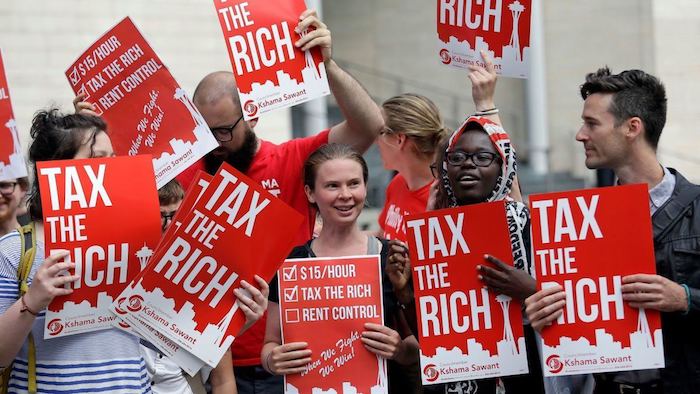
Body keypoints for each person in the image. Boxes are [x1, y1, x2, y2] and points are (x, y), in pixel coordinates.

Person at [0, 109, 267, 393]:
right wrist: (32, 302)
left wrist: (237, 320)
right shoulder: (16, 252)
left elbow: (173, 346)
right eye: (96, 160)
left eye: (113, 159)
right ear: (56, 168)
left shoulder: (140, 243)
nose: (112, 170)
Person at [524, 67, 700, 394]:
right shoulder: (576, 224)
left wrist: (685, 298)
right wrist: (543, 314)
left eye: (592, 123)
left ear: (632, 128)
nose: (580, 135)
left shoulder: (698, 207)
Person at [387, 116, 544, 394]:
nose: (468, 164)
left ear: (504, 167)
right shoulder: (432, 235)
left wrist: (528, 290)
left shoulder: (533, 227)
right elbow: (431, 338)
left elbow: (575, 311)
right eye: (458, 156)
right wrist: (405, 293)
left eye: (483, 157)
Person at [261, 143, 417, 393]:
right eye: (332, 185)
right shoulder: (292, 264)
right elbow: (270, 342)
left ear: (365, 188)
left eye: (353, 183)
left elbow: (418, 348)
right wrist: (272, 360)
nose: (345, 194)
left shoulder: (392, 259)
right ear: (310, 193)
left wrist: (399, 349)